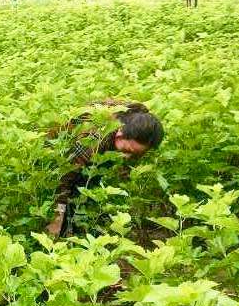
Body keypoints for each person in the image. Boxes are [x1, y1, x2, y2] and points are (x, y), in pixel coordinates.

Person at [44, 100, 163, 238]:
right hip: (53, 151)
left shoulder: (137, 119)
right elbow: (64, 179)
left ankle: (78, 228)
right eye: (127, 150)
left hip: (91, 153)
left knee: (88, 189)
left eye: (136, 154)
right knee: (75, 187)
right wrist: (57, 219)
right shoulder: (93, 139)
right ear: (119, 133)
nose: (127, 157)